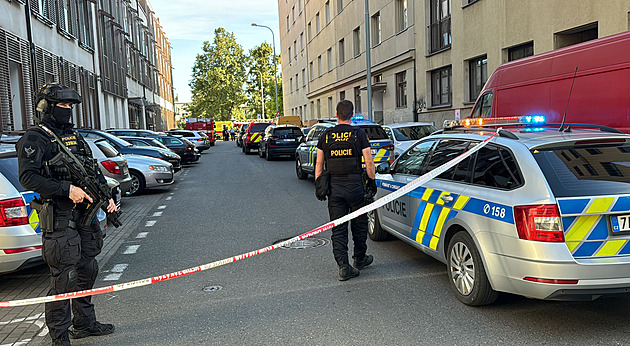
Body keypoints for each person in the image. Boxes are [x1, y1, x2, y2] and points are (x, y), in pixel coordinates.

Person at [16, 84, 117, 346]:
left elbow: (92, 170)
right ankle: (60, 338)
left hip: (85, 216)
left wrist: (106, 197)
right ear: (45, 108)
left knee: (87, 269)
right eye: (63, 106)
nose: (68, 111)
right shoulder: (34, 138)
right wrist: (66, 189)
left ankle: (84, 323)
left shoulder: (73, 136)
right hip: (60, 217)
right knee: (63, 279)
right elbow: (28, 177)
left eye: (71, 107)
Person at [315, 100, 376, 281]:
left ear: (336, 115)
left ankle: (343, 266)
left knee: (338, 229)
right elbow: (369, 162)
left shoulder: (326, 136)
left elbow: (319, 163)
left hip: (335, 189)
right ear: (352, 114)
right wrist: (371, 182)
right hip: (356, 186)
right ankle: (359, 258)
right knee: (359, 224)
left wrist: (320, 185)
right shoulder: (359, 134)